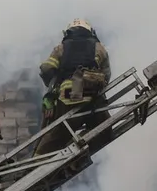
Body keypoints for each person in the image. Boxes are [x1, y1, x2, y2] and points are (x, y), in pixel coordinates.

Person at [34, 19, 112, 155]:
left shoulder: (61, 48)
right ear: (90, 31)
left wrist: (53, 84)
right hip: (93, 96)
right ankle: (78, 145)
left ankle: (36, 164)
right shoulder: (100, 47)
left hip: (68, 97)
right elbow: (106, 75)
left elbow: (46, 69)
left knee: (55, 138)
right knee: (105, 130)